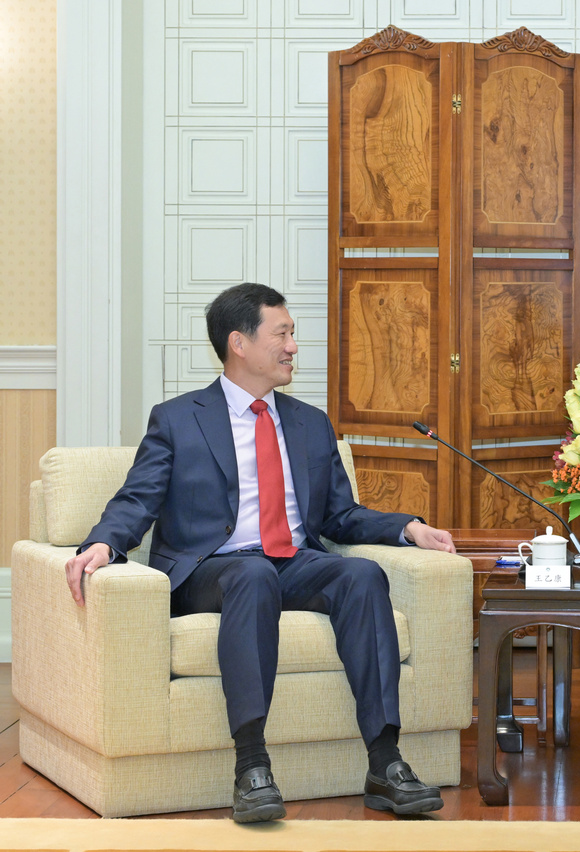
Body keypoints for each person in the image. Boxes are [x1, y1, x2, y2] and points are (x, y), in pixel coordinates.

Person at [64, 283, 457, 824]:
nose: (293, 346)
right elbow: (139, 498)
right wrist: (103, 542)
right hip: (210, 569)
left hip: (291, 561)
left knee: (361, 575)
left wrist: (406, 528)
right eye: (282, 334)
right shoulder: (178, 419)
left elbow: (340, 515)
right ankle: (251, 767)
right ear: (239, 343)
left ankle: (385, 763)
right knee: (252, 574)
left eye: (293, 334)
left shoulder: (309, 422)